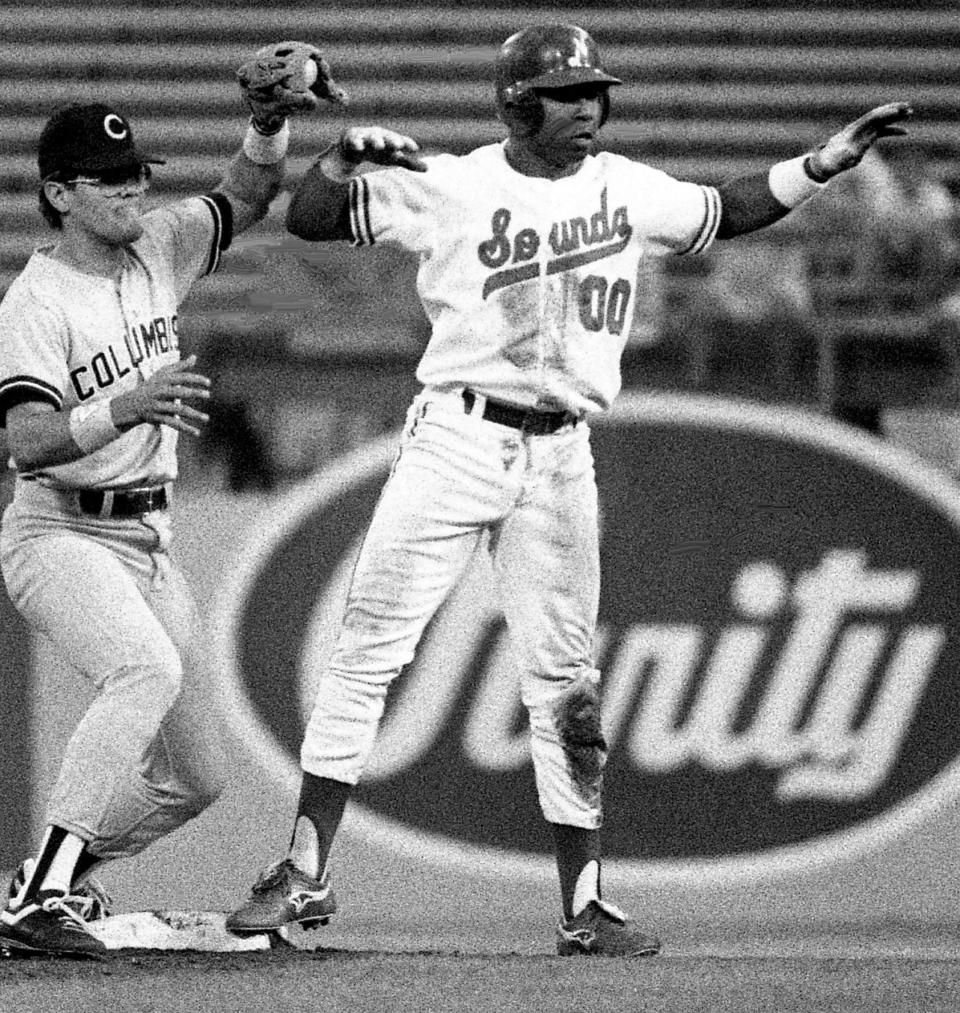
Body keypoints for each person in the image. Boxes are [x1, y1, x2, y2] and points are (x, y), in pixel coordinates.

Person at [225, 23, 912, 957]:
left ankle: (584, 905)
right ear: (516, 103)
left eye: (598, 92)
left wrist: (825, 162)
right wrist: (340, 160)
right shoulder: (453, 182)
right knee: (367, 651)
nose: (591, 107)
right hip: (457, 437)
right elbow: (308, 220)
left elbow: (729, 208)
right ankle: (303, 868)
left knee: (568, 684)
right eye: (570, 93)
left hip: (561, 453)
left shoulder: (625, 186)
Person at [0, 42, 333, 957]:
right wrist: (125, 405)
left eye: (134, 174)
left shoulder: (158, 246)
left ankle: (46, 881)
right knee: (142, 670)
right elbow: (22, 441)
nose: (129, 192)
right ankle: (40, 897)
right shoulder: (36, 301)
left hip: (148, 536)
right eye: (107, 181)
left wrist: (268, 125)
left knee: (196, 776)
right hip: (59, 528)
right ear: (59, 193)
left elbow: (248, 195)